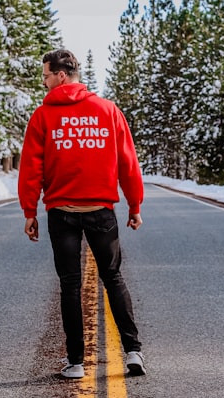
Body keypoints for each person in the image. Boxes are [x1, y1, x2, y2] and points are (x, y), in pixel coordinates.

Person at [18, 49, 146, 379]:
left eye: (46, 75)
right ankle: (133, 352)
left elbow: (31, 169)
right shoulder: (108, 111)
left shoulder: (43, 117)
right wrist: (134, 205)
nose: (44, 82)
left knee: (71, 285)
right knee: (113, 278)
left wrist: (29, 211)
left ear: (61, 75)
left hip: (62, 213)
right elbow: (127, 162)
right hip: (101, 211)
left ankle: (76, 363)